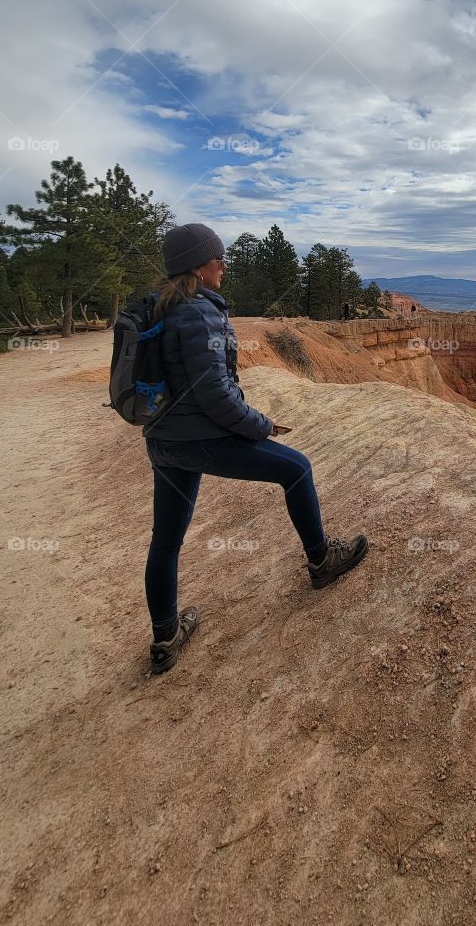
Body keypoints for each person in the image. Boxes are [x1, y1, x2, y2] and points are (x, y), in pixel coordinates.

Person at [142, 223, 368, 675]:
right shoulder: (199, 313)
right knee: (297, 469)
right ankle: (322, 561)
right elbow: (216, 395)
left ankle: (165, 637)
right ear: (198, 266)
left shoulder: (159, 308)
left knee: (166, 539)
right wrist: (261, 426)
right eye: (217, 259)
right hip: (200, 439)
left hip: (163, 441)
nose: (224, 266)